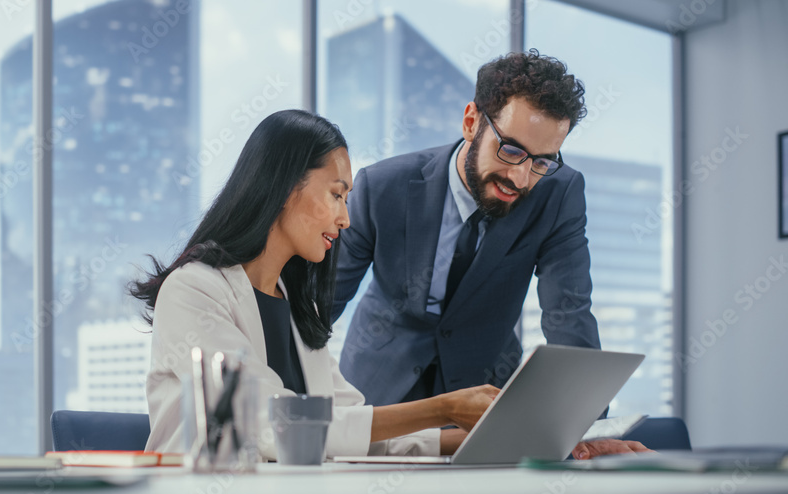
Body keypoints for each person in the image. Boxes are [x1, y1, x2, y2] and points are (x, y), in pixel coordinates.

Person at [133, 108, 646, 461]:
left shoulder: (290, 307)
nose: (346, 218)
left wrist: (526, 440)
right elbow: (271, 423)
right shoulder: (195, 290)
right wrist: (444, 407)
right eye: (336, 195)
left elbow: (354, 428)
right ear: (284, 188)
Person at [332, 50, 608, 408]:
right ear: (471, 122)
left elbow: (569, 315)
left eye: (542, 161)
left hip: (483, 395)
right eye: (510, 150)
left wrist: (586, 428)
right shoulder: (381, 187)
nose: (521, 178)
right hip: (378, 389)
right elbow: (319, 305)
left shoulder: (559, 194)